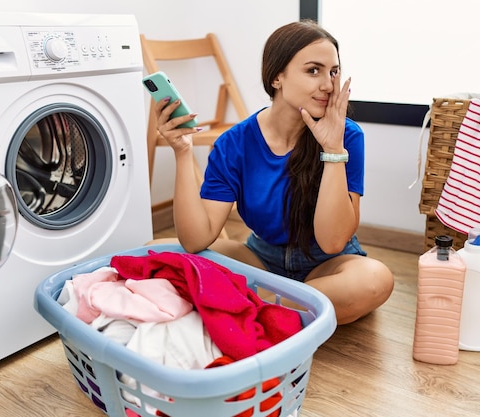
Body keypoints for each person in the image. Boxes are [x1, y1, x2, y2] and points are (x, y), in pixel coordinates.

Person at [148, 20, 394, 325]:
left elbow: (333, 242)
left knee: (374, 280)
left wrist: (332, 149)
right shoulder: (234, 143)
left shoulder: (348, 136)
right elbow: (196, 240)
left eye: (334, 71)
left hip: (327, 266)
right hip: (261, 261)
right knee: (155, 251)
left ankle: (252, 305)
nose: (329, 85)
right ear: (277, 77)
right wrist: (183, 152)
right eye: (313, 70)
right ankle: (291, 309)